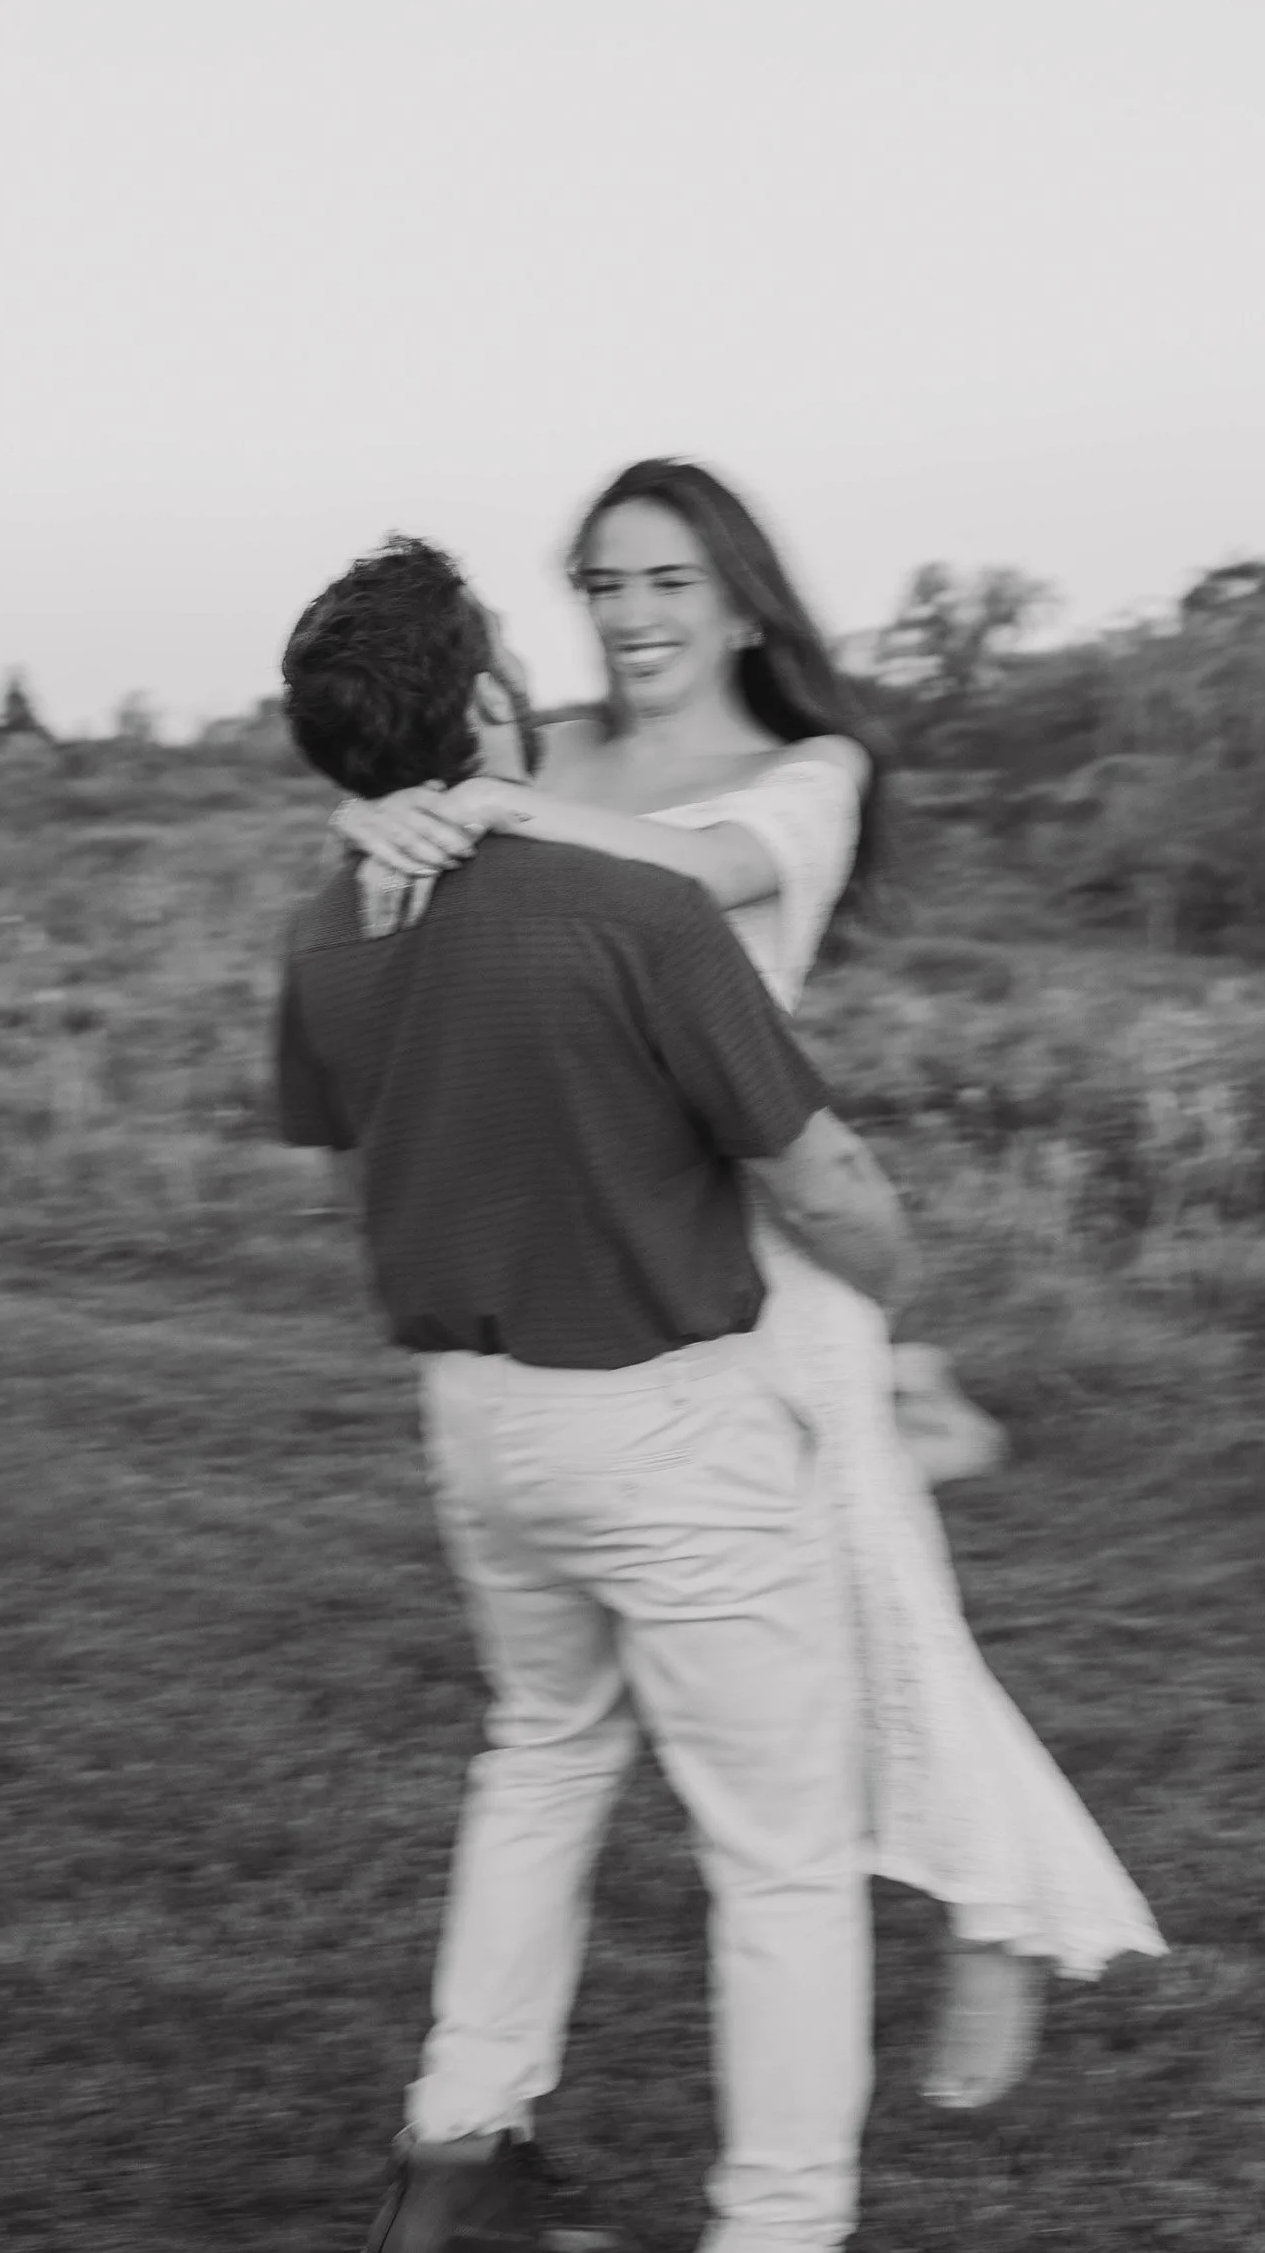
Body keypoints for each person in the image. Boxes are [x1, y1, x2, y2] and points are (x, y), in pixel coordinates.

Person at [330, 459, 1166, 2110]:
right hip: (598, 1250)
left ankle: (1003, 1906)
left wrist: (489, 812)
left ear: (738, 599)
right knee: (803, 1640)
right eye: (604, 585)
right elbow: (411, 844)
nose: (632, 617)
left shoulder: (812, 771)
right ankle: (981, 1883)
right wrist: (377, 815)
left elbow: (687, 879)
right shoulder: (555, 748)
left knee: (876, 1612)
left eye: (665, 583)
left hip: (767, 1251)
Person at [277, 534, 917, 2253]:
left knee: (543, 1754)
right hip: (663, 1415)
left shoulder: (334, 919)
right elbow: (823, 1177)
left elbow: (355, 1138)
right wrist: (895, 1287)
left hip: (473, 1420)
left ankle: (457, 2158)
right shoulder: (637, 908)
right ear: (487, 699)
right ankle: (778, 2228)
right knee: (778, 1851)